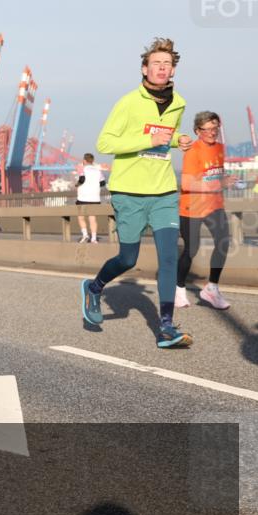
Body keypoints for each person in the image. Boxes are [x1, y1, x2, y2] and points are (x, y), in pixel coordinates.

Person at [80, 37, 194, 348]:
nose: (162, 68)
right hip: (129, 192)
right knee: (128, 258)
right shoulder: (128, 102)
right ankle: (94, 287)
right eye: (156, 63)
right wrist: (148, 141)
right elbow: (105, 143)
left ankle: (166, 328)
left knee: (169, 257)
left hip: (164, 192)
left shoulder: (179, 103)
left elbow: (164, 136)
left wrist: (178, 139)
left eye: (167, 64)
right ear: (144, 68)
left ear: (172, 71)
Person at [176, 111, 232, 310]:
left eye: (215, 128)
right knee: (192, 249)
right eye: (206, 129)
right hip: (192, 207)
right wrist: (218, 182)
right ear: (197, 131)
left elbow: (214, 175)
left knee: (224, 243)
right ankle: (179, 289)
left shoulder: (220, 148)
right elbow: (187, 182)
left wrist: (224, 182)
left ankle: (211, 288)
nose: (211, 132)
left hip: (214, 205)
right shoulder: (193, 150)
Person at [76, 153, 106, 243]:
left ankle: (85, 235)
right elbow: (103, 183)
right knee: (92, 218)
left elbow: (82, 179)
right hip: (95, 198)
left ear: (84, 161)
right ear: (92, 161)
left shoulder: (82, 168)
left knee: (81, 217)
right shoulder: (98, 170)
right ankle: (93, 238)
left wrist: (77, 185)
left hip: (83, 197)